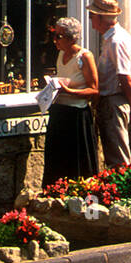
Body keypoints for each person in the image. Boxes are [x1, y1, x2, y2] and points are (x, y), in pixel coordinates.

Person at [87, 0, 131, 169]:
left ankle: (124, 192)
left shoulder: (116, 41)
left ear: (101, 18)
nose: (90, 20)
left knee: (118, 156)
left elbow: (125, 77)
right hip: (111, 100)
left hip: (114, 101)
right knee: (114, 153)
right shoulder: (113, 38)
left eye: (92, 16)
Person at [41, 17, 99, 187]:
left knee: (77, 164)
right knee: (56, 161)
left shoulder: (85, 57)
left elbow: (94, 90)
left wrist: (70, 92)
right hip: (60, 112)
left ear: (72, 38)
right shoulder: (60, 54)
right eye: (54, 35)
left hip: (76, 115)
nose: (55, 40)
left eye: (59, 36)